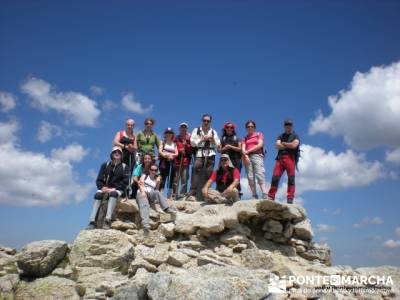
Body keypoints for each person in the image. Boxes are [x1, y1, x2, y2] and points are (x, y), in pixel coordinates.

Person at [87, 146, 130, 229]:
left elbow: (125, 182)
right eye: (115, 152)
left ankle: (107, 220)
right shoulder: (105, 165)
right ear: (112, 154)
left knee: (113, 194)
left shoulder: (125, 167)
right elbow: (99, 179)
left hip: (118, 190)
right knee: (97, 195)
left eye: (119, 152)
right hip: (105, 188)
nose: (117, 153)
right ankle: (92, 221)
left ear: (121, 155)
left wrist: (114, 188)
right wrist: (102, 187)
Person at [187, 114, 220, 201]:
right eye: (204, 120)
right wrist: (202, 139)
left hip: (211, 153)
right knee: (195, 168)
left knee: (209, 172)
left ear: (210, 122)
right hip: (200, 152)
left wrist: (212, 139)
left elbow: (218, 145)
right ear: (202, 121)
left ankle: (206, 192)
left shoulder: (213, 132)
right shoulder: (196, 130)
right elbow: (192, 142)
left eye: (208, 121)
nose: (206, 122)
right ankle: (192, 192)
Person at [267, 119, 300, 204]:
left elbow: (294, 145)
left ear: (292, 126)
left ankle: (290, 198)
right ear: (284, 126)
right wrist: (288, 145)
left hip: (290, 158)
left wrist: (284, 144)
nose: (288, 126)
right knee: (275, 177)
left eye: (289, 125)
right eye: (286, 125)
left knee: (291, 179)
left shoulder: (295, 136)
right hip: (280, 159)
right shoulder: (280, 136)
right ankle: (271, 196)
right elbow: (277, 145)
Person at [137, 163, 177, 231]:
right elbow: (140, 184)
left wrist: (158, 182)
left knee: (158, 192)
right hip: (142, 192)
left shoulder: (156, 179)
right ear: (149, 170)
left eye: (155, 170)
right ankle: (145, 223)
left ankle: (166, 208)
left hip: (151, 194)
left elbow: (156, 190)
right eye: (152, 170)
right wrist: (143, 192)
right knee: (145, 204)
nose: (153, 171)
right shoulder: (144, 175)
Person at [242, 120, 268, 199]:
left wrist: (248, 151)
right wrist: (245, 155)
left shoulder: (259, 134)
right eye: (248, 126)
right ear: (246, 128)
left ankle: (264, 193)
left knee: (260, 174)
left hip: (257, 156)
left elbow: (260, 145)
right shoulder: (245, 138)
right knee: (250, 176)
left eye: (252, 126)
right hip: (247, 157)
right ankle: (254, 195)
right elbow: (243, 148)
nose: (250, 128)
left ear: (254, 127)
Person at [219, 121, 242, 196]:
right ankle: (224, 193)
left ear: (233, 129)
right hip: (225, 160)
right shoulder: (222, 139)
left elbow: (240, 148)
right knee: (225, 175)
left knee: (236, 176)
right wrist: (224, 148)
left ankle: (237, 193)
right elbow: (218, 150)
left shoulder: (237, 138)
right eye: (227, 127)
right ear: (225, 128)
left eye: (231, 127)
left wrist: (230, 147)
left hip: (236, 159)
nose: (229, 128)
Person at [173, 122, 192, 199]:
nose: (183, 129)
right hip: (177, 161)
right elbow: (173, 147)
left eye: (185, 127)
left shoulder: (189, 138)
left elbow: (192, 150)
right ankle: (174, 194)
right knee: (175, 179)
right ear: (180, 129)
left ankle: (182, 195)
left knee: (184, 179)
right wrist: (179, 149)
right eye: (182, 127)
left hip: (185, 161)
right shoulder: (176, 138)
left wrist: (186, 146)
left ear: (186, 129)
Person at [158, 128, 178, 198]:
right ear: (165, 134)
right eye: (167, 133)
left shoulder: (174, 144)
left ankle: (169, 195)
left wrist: (171, 156)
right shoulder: (162, 142)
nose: (169, 134)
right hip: (164, 162)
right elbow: (160, 151)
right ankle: (160, 193)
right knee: (163, 177)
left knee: (171, 177)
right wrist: (166, 156)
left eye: (170, 133)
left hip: (172, 162)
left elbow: (176, 153)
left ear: (172, 134)